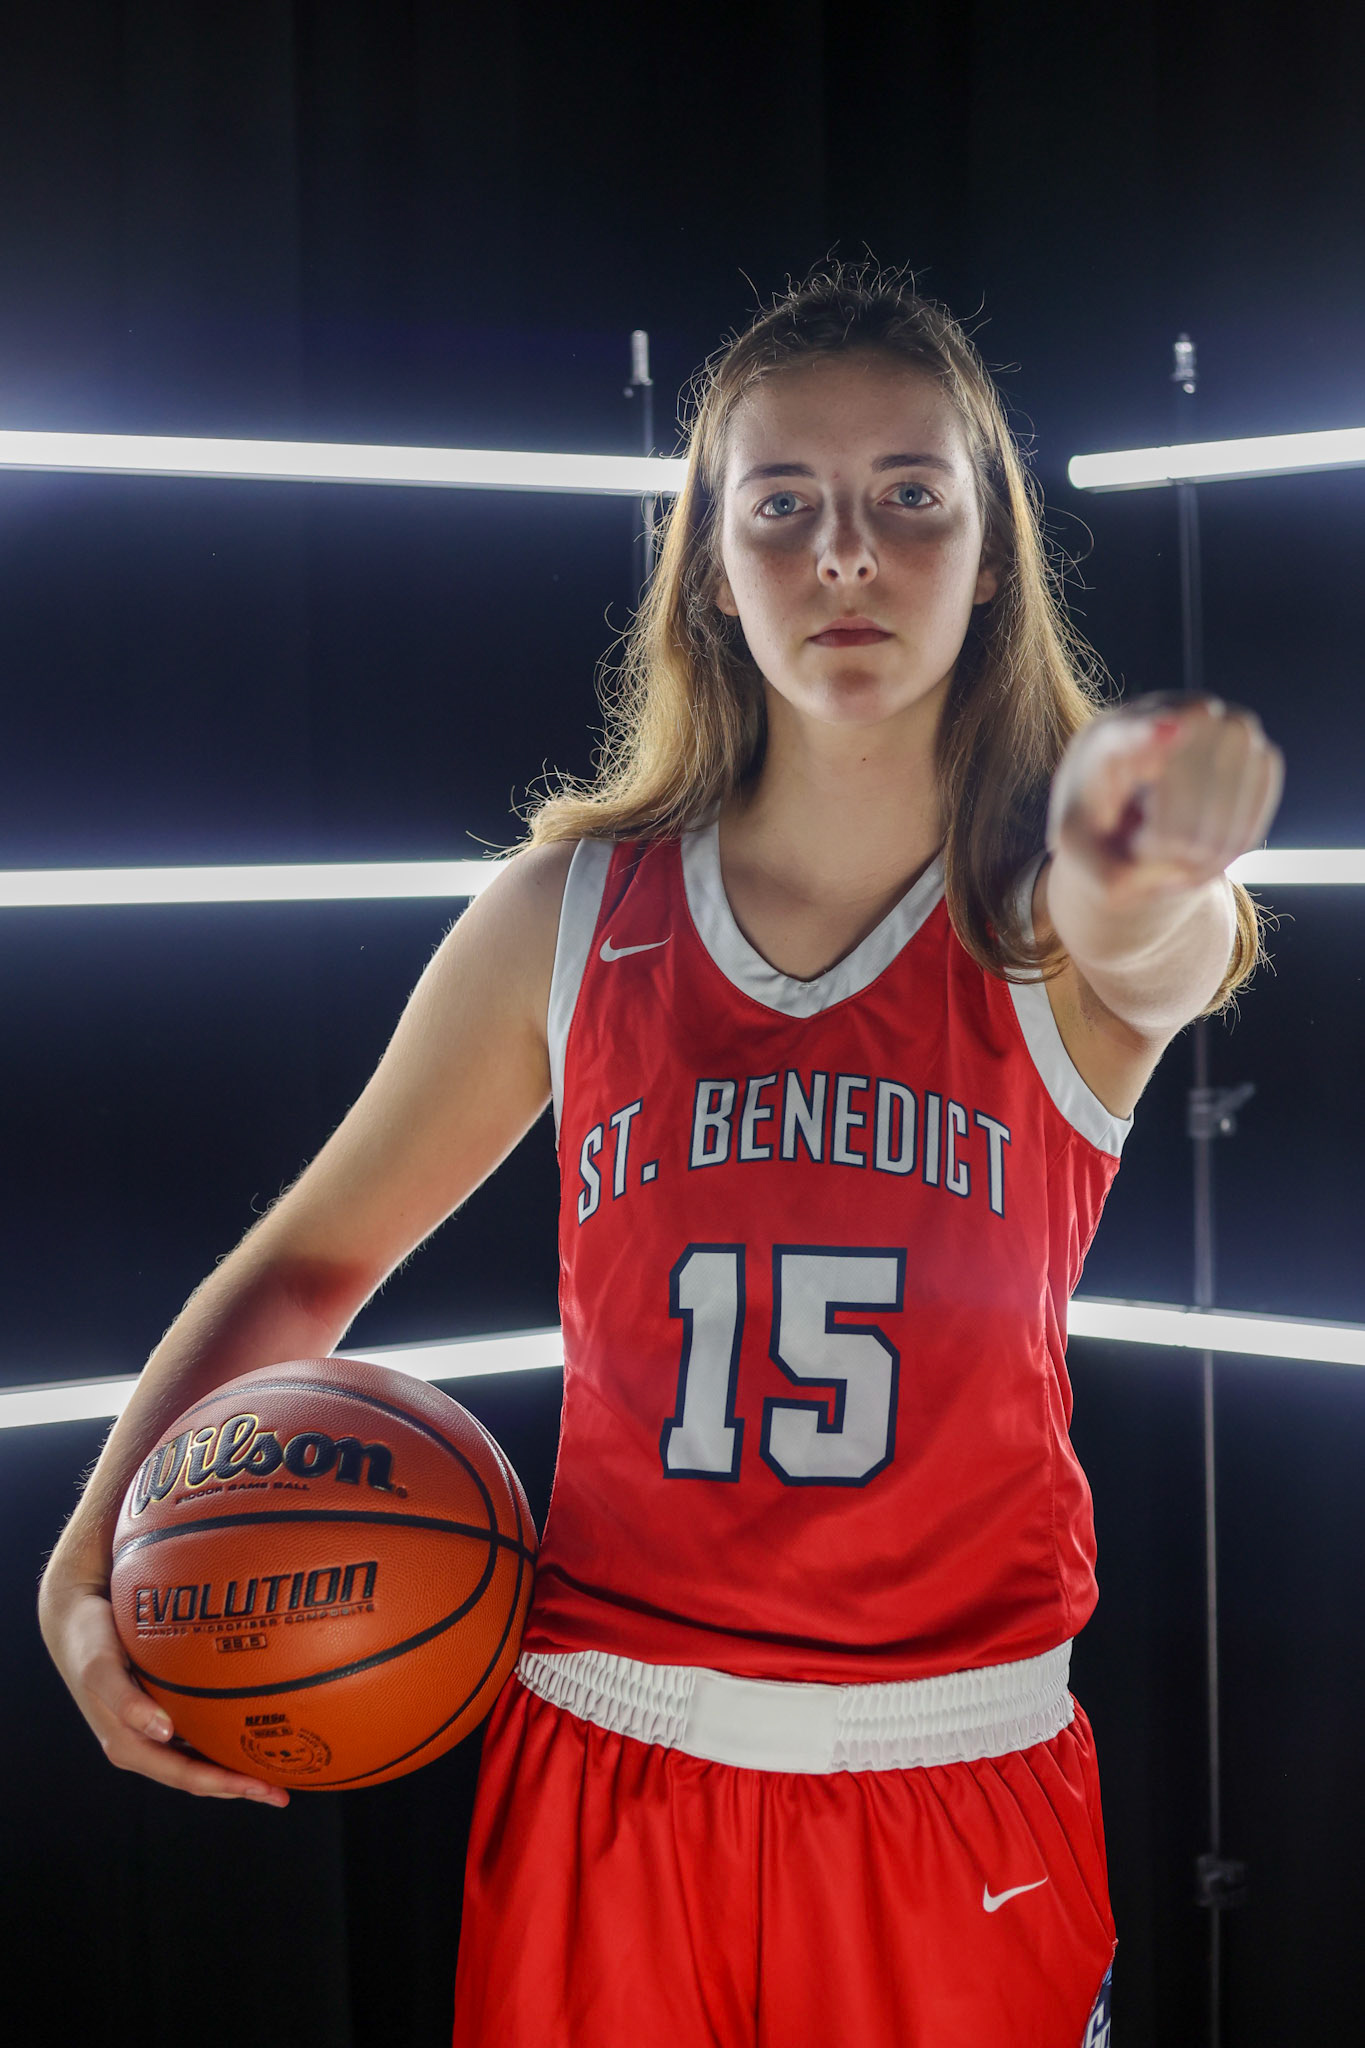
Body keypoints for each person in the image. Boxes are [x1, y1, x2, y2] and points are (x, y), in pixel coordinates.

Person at [39, 264, 1283, 2047]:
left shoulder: (1048, 922)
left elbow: (1156, 943)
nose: (844, 551)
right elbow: (312, 1259)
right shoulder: (570, 912)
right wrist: (85, 1569)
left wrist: (1144, 865)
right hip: (602, 1759)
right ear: (709, 560)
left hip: (946, 1771)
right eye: (780, 507)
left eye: (908, 498)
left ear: (991, 545)